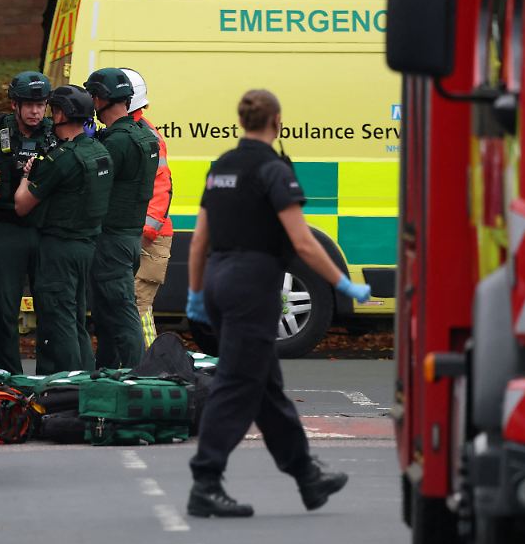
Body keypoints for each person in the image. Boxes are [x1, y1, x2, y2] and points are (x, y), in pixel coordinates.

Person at [185, 89, 371, 518]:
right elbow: (303, 242)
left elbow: (199, 241)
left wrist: (196, 293)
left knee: (265, 388)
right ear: (278, 122)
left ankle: (308, 476)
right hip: (252, 285)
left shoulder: (221, 168)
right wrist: (342, 283)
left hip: (218, 278)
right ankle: (206, 482)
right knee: (236, 385)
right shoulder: (272, 170)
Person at [14, 85, 112, 374]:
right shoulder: (99, 151)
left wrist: (26, 175)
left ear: (61, 114)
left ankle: (70, 385)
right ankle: (86, 379)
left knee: (59, 320)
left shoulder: (63, 158)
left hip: (60, 248)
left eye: (53, 110)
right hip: (87, 245)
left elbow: (22, 205)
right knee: (75, 318)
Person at [0, 71, 57, 374]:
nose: (36, 111)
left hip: (44, 229)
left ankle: (50, 376)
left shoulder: (57, 133)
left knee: (50, 305)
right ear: (15, 105)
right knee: (4, 308)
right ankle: (10, 377)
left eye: (41, 104)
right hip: (5, 227)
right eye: (29, 104)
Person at [84, 68, 159, 369]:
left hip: (111, 239)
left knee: (121, 312)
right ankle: (109, 373)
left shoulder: (116, 143)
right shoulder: (144, 136)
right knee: (108, 317)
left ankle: (137, 377)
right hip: (130, 236)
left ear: (101, 98)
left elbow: (91, 181)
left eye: (92, 96)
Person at [121, 68, 174, 347]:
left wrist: (143, 235)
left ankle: (149, 368)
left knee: (138, 308)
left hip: (148, 238)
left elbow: (161, 189)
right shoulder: (136, 132)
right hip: (142, 235)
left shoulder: (145, 136)